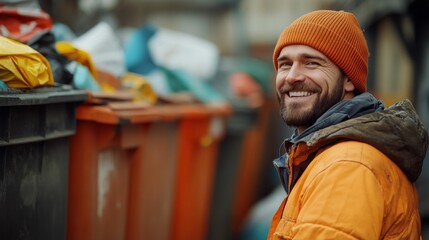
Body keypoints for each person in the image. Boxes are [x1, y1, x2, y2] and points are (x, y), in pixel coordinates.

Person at [267, 10, 429, 239]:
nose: (292, 76)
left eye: (311, 63)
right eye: (284, 64)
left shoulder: (348, 165)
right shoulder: (330, 155)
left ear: (349, 80)